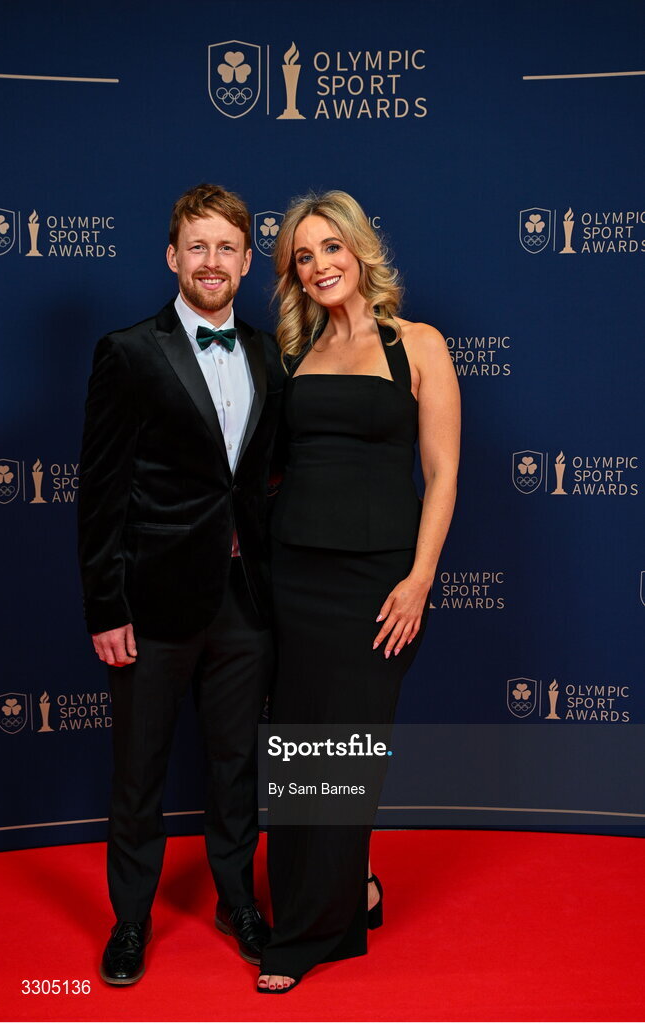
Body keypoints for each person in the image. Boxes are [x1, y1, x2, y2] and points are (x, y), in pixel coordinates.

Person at [78, 184, 284, 985]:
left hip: (244, 600)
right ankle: (131, 920)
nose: (211, 261)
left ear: (246, 261)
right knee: (140, 771)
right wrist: (106, 605)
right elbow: (100, 491)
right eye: (197, 246)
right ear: (172, 256)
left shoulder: (268, 353)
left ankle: (239, 903)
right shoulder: (129, 351)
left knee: (236, 767)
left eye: (226, 247)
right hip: (153, 602)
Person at [257, 190, 461, 992]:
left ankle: (311, 932)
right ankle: (350, 892)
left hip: (378, 582)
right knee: (301, 745)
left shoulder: (418, 345)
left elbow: (441, 473)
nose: (319, 266)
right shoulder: (294, 352)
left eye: (330, 248)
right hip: (294, 573)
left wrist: (419, 580)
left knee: (345, 747)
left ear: (360, 249)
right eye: (303, 256)